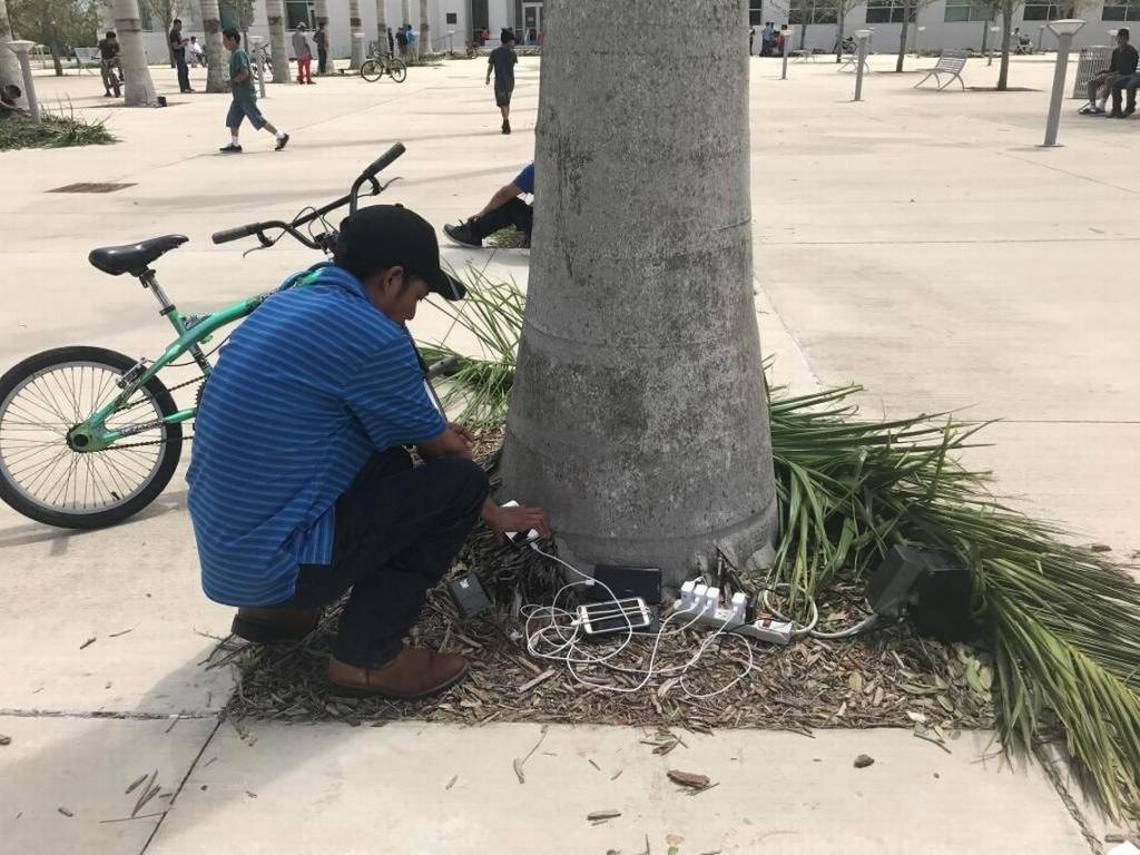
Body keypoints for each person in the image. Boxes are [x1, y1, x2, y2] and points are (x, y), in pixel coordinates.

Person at [187, 204, 550, 699]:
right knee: (459, 486)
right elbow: (443, 453)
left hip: (230, 557)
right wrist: (492, 514)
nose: (412, 312)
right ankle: (367, 659)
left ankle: (276, 617)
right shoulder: (370, 334)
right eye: (417, 296)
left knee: (388, 463)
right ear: (392, 278)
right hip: (278, 565)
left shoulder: (291, 299)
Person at [219, 28, 289, 153]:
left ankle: (281, 135)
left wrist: (232, 81)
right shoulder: (235, 54)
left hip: (245, 95)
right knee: (232, 119)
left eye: (225, 40)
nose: (223, 43)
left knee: (257, 119)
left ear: (233, 39)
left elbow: (245, 73)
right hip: (238, 96)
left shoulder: (239, 54)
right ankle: (235, 144)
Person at [444, 162, 534, 248]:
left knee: (509, 204)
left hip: (540, 230)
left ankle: (473, 233)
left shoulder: (536, 169)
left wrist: (483, 212)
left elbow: (504, 194)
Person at [1079, 28, 1138, 116]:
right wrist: (1104, 71)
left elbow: (1129, 69)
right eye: (1119, 38)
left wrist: (1112, 73)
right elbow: (1113, 67)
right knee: (1092, 82)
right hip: (1115, 74)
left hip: (1126, 75)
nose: (1120, 40)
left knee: (1109, 79)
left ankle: (1102, 105)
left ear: (1127, 39)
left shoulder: (1131, 51)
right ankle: (1093, 106)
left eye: (1123, 38)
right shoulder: (1116, 52)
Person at [487, 28, 518, 134]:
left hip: (500, 82)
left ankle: (506, 121)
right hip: (510, 83)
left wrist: (487, 77)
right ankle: (505, 121)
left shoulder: (495, 52)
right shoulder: (512, 53)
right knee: (507, 103)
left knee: (503, 104)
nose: (514, 43)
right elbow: (512, 65)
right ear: (509, 41)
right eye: (513, 41)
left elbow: (490, 66)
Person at [170, 18, 192, 94]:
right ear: (175, 25)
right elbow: (175, 46)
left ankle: (187, 86)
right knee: (181, 71)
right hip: (178, 54)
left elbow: (179, 43)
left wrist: (183, 41)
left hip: (182, 55)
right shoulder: (173, 34)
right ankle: (183, 88)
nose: (180, 27)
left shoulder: (178, 33)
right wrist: (183, 44)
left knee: (185, 70)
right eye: (179, 26)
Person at [97, 30, 121, 98]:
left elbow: (118, 52)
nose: (113, 40)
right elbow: (97, 49)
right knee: (104, 75)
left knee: (119, 60)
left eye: (114, 39)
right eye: (112, 39)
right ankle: (107, 91)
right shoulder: (102, 43)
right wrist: (94, 57)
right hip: (104, 59)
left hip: (113, 59)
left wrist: (116, 57)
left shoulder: (116, 43)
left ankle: (121, 75)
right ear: (108, 39)